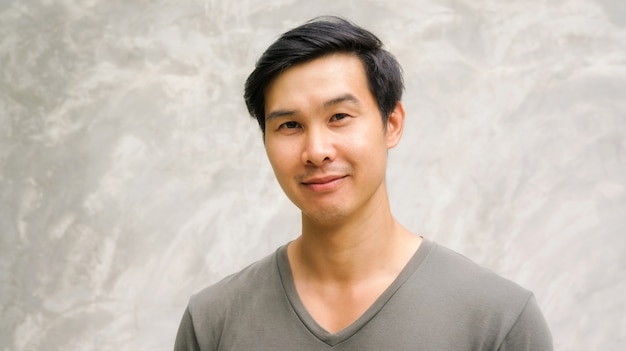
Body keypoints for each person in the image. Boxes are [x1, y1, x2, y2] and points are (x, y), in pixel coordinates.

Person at [174, 16, 553, 350]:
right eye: (289, 125)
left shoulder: (498, 319)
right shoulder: (213, 322)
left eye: (339, 116)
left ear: (392, 123)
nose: (317, 151)